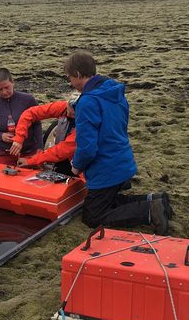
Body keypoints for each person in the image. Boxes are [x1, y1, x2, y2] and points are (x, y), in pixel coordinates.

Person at [66, 51, 173, 235]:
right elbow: (110, 119)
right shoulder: (113, 91)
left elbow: (87, 148)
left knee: (92, 216)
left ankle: (149, 211)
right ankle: (156, 200)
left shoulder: (88, 103)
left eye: (69, 78)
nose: (70, 83)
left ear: (77, 74)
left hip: (106, 169)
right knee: (108, 202)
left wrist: (75, 167)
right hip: (123, 161)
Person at [8, 92, 80, 175]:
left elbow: (61, 151)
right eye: (67, 111)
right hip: (63, 156)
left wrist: (31, 161)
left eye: (73, 114)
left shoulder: (86, 125)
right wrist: (19, 139)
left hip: (79, 163)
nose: (68, 114)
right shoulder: (63, 107)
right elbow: (30, 113)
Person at [0, 68, 43, 165]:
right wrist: (1, 135)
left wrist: (40, 148)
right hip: (5, 153)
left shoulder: (28, 100)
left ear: (12, 82)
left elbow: (37, 124)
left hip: (28, 151)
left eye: (7, 87)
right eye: (0, 89)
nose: (4, 92)